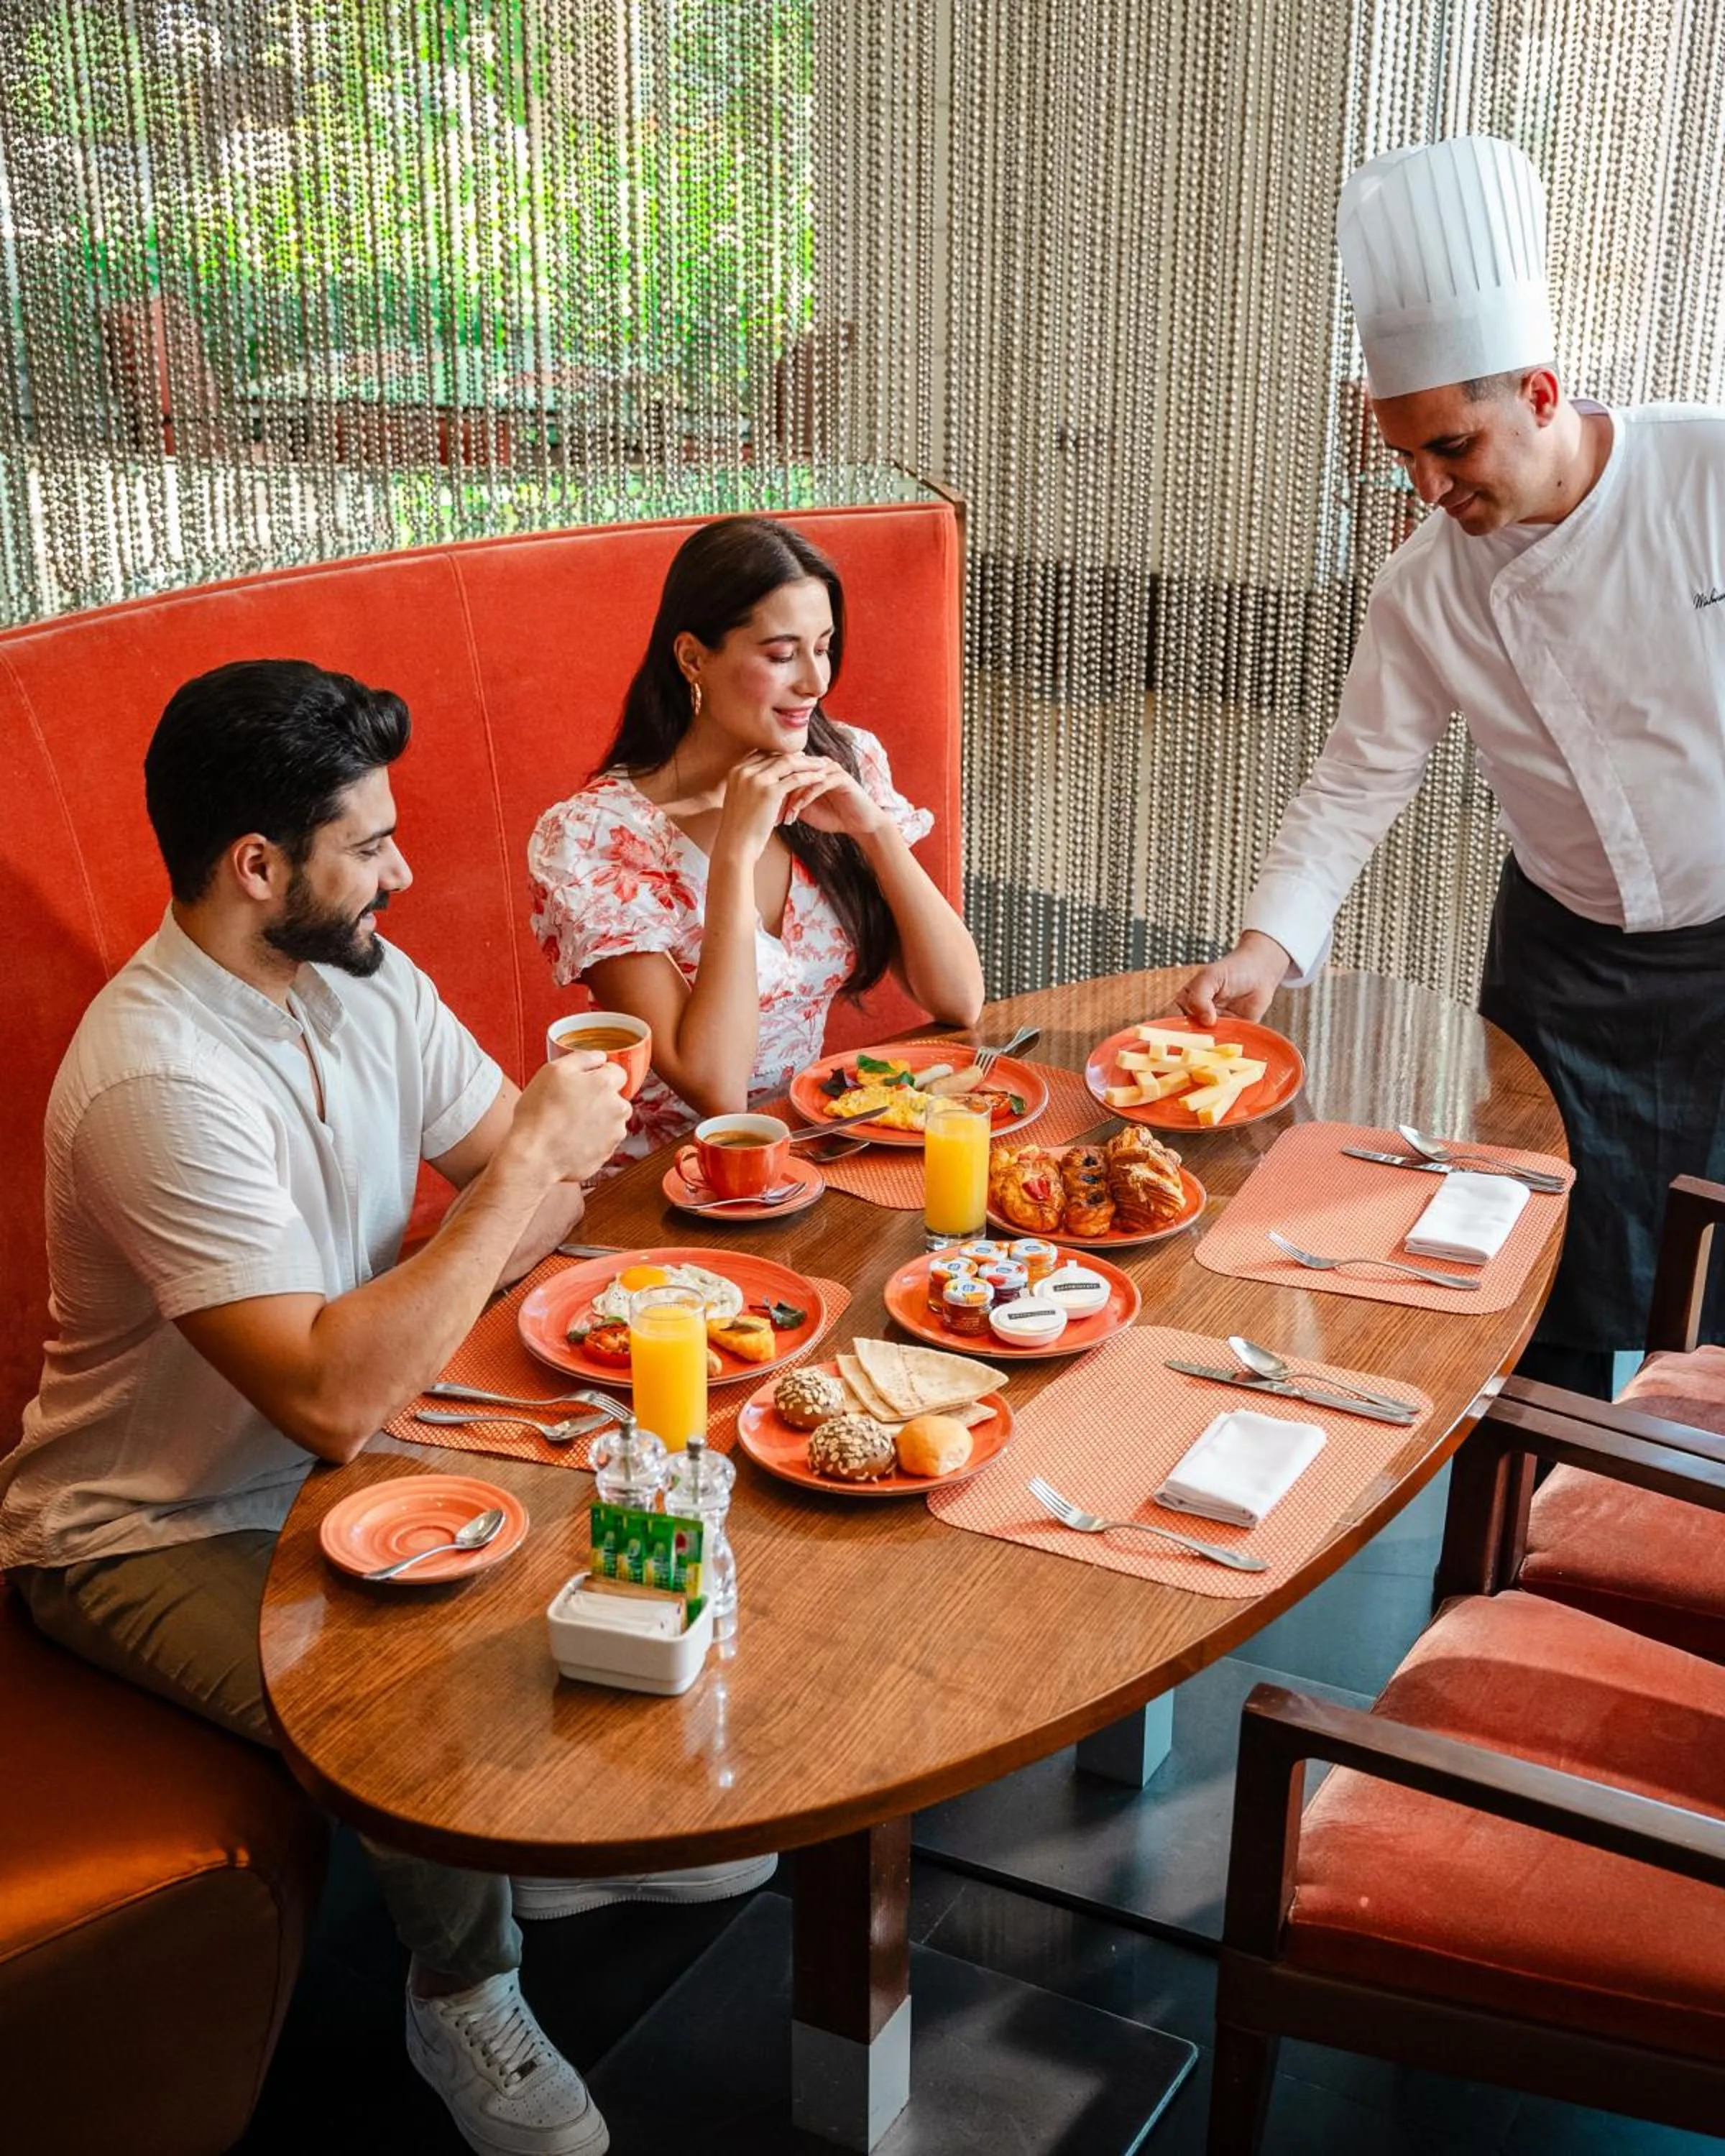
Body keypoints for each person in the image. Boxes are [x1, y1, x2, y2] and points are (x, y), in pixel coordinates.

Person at [0, 660, 763, 2156]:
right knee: (406, 1679)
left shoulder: (362, 977)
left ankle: (546, 1846)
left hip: (342, 1438)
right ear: (258, 866)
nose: (404, 874)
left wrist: (531, 1172)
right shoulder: (157, 1079)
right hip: (147, 1527)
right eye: (372, 845)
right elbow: (333, 1401)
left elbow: (529, 1199)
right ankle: (461, 1986)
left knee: (628, 1466)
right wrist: (522, 1170)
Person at [1179, 134, 1725, 1398]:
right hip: (1566, 967)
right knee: (1542, 1275)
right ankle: (1519, 1506)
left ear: (1539, 393)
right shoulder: (1422, 588)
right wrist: (1265, 945)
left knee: (1712, 1293)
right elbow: (1356, 780)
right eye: (1406, 459)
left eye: (1453, 449)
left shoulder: (1706, 473)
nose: (1429, 487)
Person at [528, 515, 985, 1167]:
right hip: (659, 1184)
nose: (816, 681)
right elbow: (718, 1089)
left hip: (803, 1161)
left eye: (823, 647)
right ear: (693, 658)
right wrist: (734, 857)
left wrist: (876, 832)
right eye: (780, 655)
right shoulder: (596, 837)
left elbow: (960, 1000)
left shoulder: (844, 762)